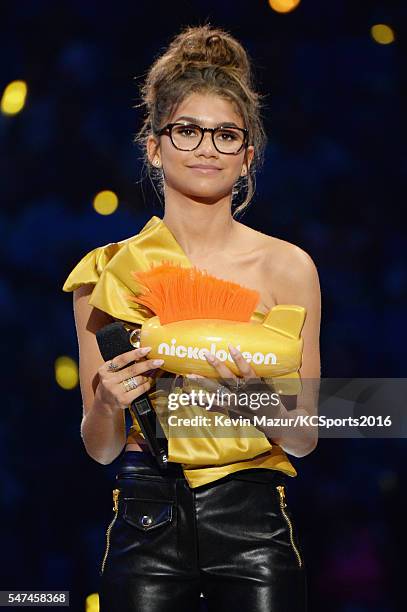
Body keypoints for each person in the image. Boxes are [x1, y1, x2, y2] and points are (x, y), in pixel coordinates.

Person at [63, 24, 321, 612]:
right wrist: (107, 403)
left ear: (248, 154)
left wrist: (251, 399)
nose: (207, 148)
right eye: (188, 130)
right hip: (144, 517)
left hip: (254, 523)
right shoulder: (109, 271)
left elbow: (305, 438)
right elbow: (100, 448)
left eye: (226, 135)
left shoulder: (287, 267)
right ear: (154, 146)